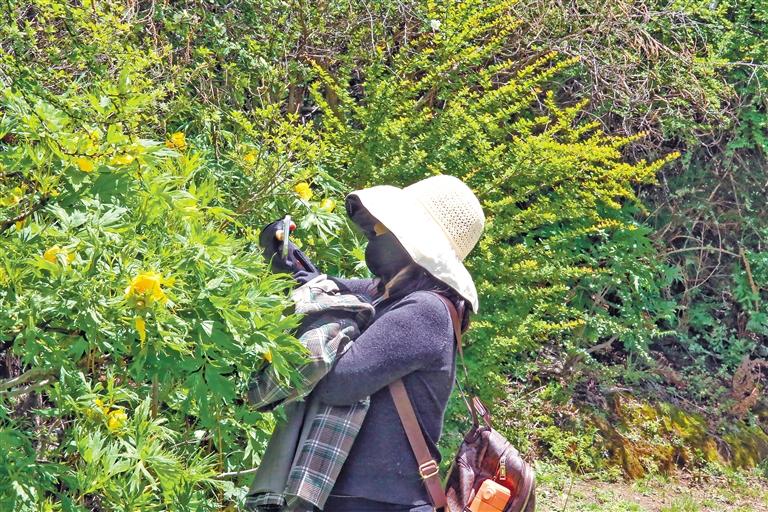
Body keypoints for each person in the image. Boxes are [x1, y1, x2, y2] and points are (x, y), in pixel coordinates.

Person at [261, 174, 485, 512]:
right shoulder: (387, 293)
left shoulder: (427, 310)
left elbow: (339, 384)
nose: (375, 232)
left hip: (384, 503)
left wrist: (313, 295)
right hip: (354, 498)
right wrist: (286, 258)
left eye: (382, 228)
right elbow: (325, 286)